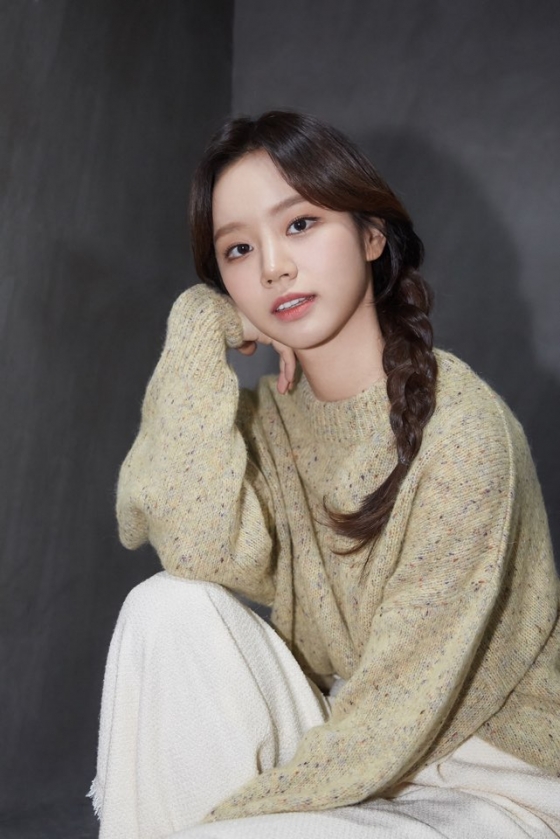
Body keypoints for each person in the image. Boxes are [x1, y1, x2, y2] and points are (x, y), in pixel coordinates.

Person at [90, 111, 560, 839]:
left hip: (492, 787)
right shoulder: (269, 424)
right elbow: (191, 548)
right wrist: (198, 324)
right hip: (345, 740)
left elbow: (394, 716)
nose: (273, 266)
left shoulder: (464, 435)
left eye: (301, 224)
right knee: (163, 608)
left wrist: (210, 827)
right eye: (239, 249)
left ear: (371, 235)